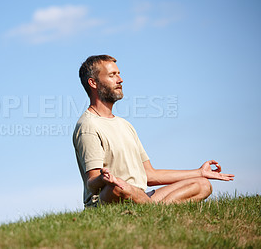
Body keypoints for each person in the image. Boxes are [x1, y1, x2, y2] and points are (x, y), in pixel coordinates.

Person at [73, 55, 235, 207]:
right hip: (110, 197)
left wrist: (200, 172)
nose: (120, 80)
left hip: (140, 195)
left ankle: (150, 207)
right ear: (93, 83)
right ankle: (151, 207)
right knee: (119, 187)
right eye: (112, 75)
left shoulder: (125, 125)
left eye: (119, 74)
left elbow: (149, 175)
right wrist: (104, 178)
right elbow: (92, 182)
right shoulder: (88, 126)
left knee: (202, 184)